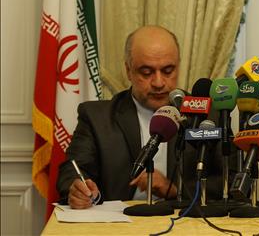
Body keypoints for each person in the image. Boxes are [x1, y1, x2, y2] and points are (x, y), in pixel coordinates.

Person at [57, 25, 222, 208]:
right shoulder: (97, 118)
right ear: (128, 70)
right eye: (146, 72)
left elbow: (226, 181)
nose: (158, 82)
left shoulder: (206, 115)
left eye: (168, 71)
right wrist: (78, 189)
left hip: (184, 221)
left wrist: (174, 189)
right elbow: (72, 170)